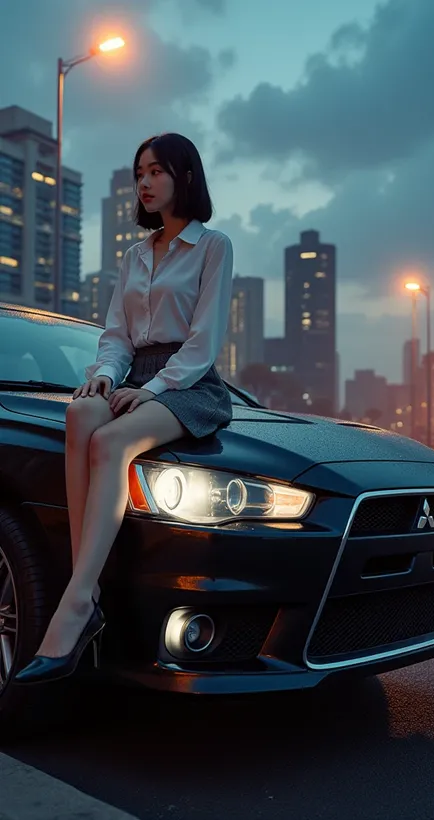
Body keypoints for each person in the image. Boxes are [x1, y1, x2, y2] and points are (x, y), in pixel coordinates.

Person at [14, 132, 234, 685]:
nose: (145, 182)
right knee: (79, 414)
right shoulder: (134, 256)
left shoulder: (213, 247)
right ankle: (83, 583)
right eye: (140, 173)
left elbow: (203, 343)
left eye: (157, 171)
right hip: (132, 377)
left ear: (184, 176)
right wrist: (106, 377)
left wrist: (154, 388)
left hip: (187, 384)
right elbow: (114, 335)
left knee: (111, 441)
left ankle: (78, 600)